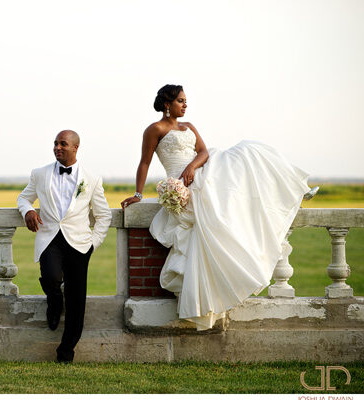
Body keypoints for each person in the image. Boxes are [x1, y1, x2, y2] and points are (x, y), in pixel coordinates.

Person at [121, 84, 317, 330]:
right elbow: (144, 163)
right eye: (180, 101)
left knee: (249, 151)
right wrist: (138, 194)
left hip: (200, 172)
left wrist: (192, 167)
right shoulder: (155, 129)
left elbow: (202, 151)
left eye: (185, 101)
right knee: (220, 216)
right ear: (166, 104)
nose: (185, 105)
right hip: (182, 187)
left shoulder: (189, 127)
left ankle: (296, 186)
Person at [17, 129, 112, 362]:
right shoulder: (39, 174)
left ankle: (66, 351)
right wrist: (28, 210)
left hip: (80, 244)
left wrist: (93, 244)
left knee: (77, 299)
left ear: (75, 148)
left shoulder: (91, 178)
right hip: (50, 238)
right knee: (50, 278)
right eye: (55, 144)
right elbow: (23, 197)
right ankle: (54, 300)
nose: (57, 148)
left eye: (63, 144)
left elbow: (104, 216)